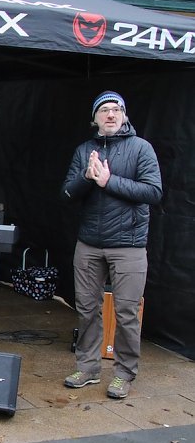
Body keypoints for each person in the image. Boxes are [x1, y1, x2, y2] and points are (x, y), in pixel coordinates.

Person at [61, 91, 162, 399]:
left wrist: (109, 181)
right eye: (104, 110)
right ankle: (88, 368)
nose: (110, 114)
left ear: (124, 115)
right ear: (95, 119)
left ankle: (124, 373)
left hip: (128, 245)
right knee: (87, 309)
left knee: (127, 312)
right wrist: (87, 178)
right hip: (89, 244)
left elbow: (153, 192)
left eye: (116, 109)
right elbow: (67, 193)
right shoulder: (84, 150)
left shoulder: (141, 148)